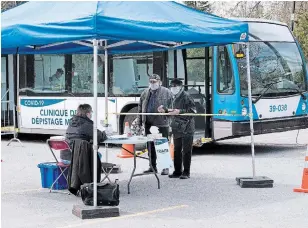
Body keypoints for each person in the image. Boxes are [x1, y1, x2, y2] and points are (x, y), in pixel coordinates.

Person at [158, 78, 196, 179]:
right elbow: (169, 109)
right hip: (176, 127)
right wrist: (163, 110)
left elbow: (193, 111)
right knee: (177, 149)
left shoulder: (186, 96)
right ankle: (177, 171)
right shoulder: (171, 97)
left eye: (175, 86)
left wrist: (180, 111)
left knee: (186, 150)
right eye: (171, 86)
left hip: (187, 127)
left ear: (180, 87)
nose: (173, 88)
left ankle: (186, 172)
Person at [137, 74, 173, 175]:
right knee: (150, 146)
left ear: (159, 82)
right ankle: (152, 167)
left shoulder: (166, 92)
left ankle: (165, 167)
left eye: (155, 82)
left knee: (162, 146)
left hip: (162, 124)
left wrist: (166, 113)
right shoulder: (145, 93)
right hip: (149, 123)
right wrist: (140, 122)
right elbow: (140, 108)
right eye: (151, 82)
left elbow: (173, 107)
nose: (153, 84)